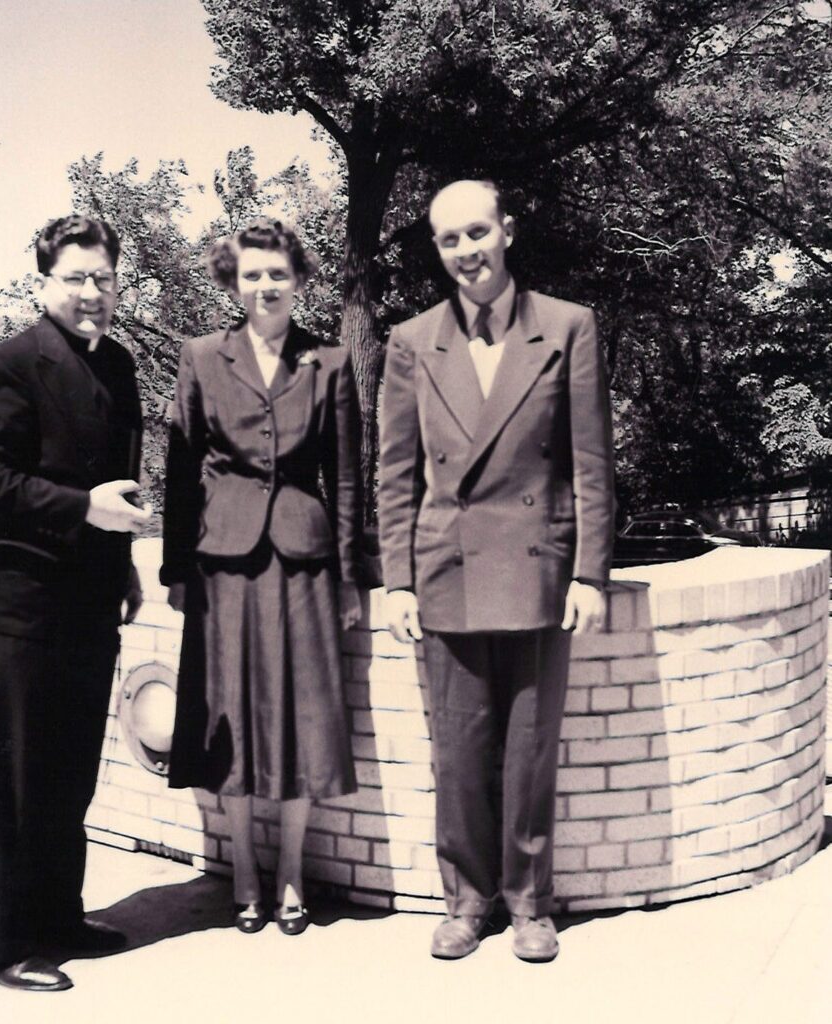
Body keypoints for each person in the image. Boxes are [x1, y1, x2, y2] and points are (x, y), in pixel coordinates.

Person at [378, 180, 615, 963]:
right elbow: (395, 473)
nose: (466, 252)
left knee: (530, 748)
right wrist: (399, 579)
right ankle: (465, 901)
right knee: (457, 750)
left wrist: (589, 572)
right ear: (437, 250)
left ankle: (529, 904)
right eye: (449, 240)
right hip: (447, 570)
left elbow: (589, 462)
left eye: (477, 232)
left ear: (507, 230)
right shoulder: (412, 341)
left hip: (538, 569)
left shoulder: (568, 326)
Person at [161, 217, 361, 936]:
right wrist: (175, 568)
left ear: (298, 278)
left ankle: (292, 876)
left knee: (305, 720)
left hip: (305, 564)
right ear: (233, 281)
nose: (266, 286)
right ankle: (245, 873)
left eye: (278, 273)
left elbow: (346, 476)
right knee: (232, 721)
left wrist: (349, 580)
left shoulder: (330, 363)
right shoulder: (200, 356)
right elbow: (181, 473)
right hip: (224, 564)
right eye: (252, 274)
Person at [0, 215, 149, 992]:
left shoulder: (119, 366)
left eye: (104, 278)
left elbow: (120, 480)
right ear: (43, 282)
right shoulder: (12, 364)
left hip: (91, 603)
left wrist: (122, 566)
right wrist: (81, 509)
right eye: (75, 278)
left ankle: (59, 917)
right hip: (22, 606)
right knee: (18, 778)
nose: (92, 293)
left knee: (70, 775)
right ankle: (9, 942)